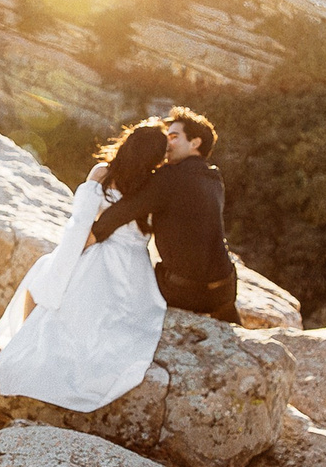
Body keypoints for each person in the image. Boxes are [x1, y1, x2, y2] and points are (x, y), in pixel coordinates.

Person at [0, 120, 168, 411]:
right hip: (136, 266)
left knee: (41, 280)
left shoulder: (105, 174)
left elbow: (80, 224)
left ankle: (22, 349)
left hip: (100, 251)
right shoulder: (156, 183)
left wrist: (66, 261)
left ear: (128, 143)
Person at [85, 106, 238, 319]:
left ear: (195, 143)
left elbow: (118, 215)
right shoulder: (214, 178)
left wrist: (81, 248)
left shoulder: (168, 177)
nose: (167, 144)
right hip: (225, 292)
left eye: (174, 137)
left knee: (125, 281)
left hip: (184, 293)